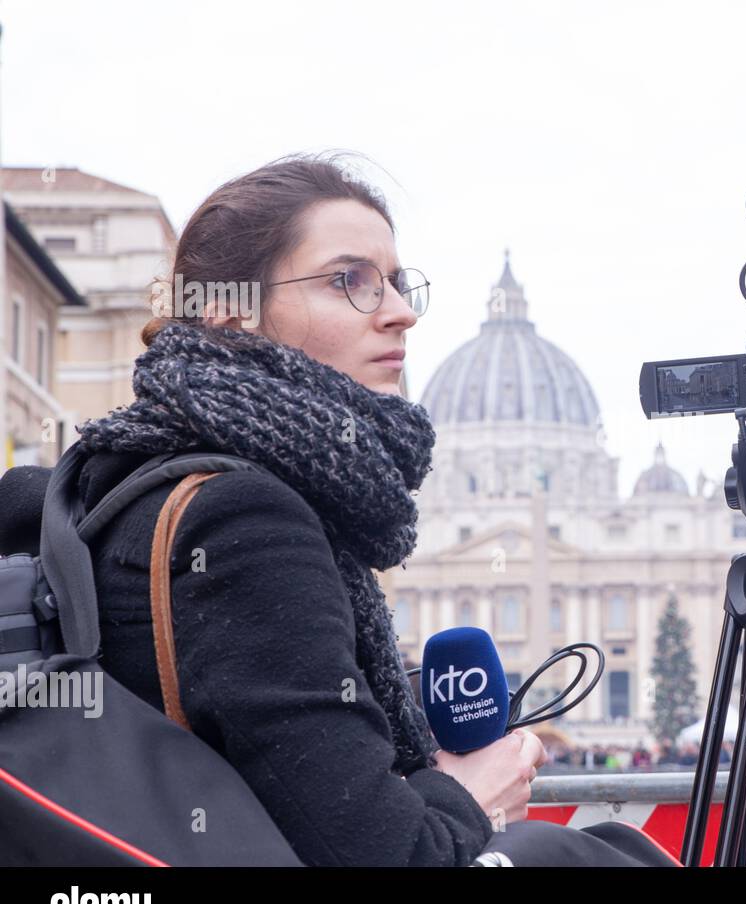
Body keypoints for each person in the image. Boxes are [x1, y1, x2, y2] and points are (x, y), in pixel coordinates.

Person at [54, 155, 550, 866]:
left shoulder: (123, 473)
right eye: (349, 280)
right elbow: (386, 855)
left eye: (398, 283)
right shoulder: (245, 519)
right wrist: (470, 795)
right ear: (229, 311)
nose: (401, 311)